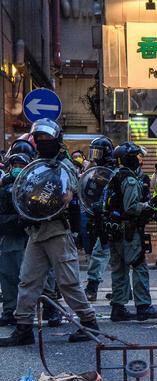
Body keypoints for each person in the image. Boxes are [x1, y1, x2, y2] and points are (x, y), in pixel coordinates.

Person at [0, 119, 98, 346]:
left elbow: (67, 195)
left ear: (57, 140)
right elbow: (25, 190)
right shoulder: (36, 163)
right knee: (28, 280)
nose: (43, 143)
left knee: (67, 282)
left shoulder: (64, 165)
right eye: (39, 139)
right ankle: (23, 328)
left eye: (47, 139)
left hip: (56, 230)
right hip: (35, 230)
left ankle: (89, 321)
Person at [107, 142, 157, 322]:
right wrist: (150, 206)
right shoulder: (130, 179)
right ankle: (143, 307)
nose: (139, 159)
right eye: (136, 156)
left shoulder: (115, 176)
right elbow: (131, 207)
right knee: (139, 266)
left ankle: (118, 308)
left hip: (113, 231)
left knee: (119, 270)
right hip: (128, 231)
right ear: (129, 158)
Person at [0, 153, 31, 327]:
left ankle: (49, 309)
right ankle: (9, 310)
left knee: (38, 276)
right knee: (8, 273)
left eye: (22, 164)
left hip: (31, 234)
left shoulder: (33, 185)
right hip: (10, 235)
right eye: (15, 164)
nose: (18, 167)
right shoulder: (3, 187)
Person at [84, 136, 116, 301]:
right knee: (116, 255)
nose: (95, 156)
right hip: (98, 216)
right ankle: (123, 289)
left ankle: (92, 287)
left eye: (98, 152)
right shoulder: (96, 170)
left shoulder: (112, 172)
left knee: (100, 252)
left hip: (109, 218)